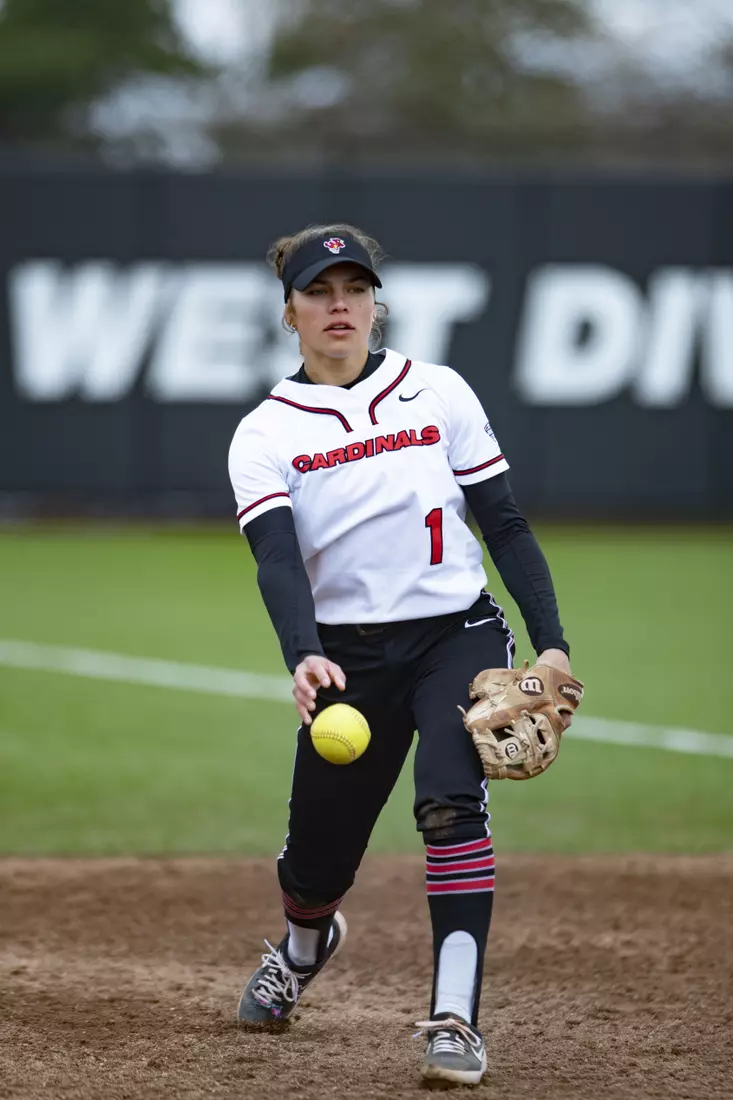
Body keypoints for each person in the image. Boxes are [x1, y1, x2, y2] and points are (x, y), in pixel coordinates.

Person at [228, 223, 575, 1087]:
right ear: (290, 313)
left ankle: (453, 1020)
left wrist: (552, 644)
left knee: (450, 805)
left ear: (376, 303)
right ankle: (306, 944)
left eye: (354, 288)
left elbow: (503, 523)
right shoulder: (265, 433)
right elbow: (276, 558)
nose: (338, 304)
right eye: (319, 291)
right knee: (314, 866)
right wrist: (303, 654)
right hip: (345, 662)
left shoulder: (439, 391)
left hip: (452, 633)